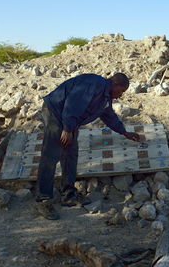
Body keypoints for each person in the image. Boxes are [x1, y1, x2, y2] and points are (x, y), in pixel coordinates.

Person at [35, 73, 140, 220]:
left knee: (70, 154)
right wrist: (67, 129)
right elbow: (72, 103)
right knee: (51, 155)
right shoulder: (93, 83)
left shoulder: (105, 98)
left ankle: (68, 195)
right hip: (55, 112)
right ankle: (43, 199)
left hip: (69, 120)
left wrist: (124, 132)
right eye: (122, 91)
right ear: (116, 84)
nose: (120, 95)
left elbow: (109, 116)